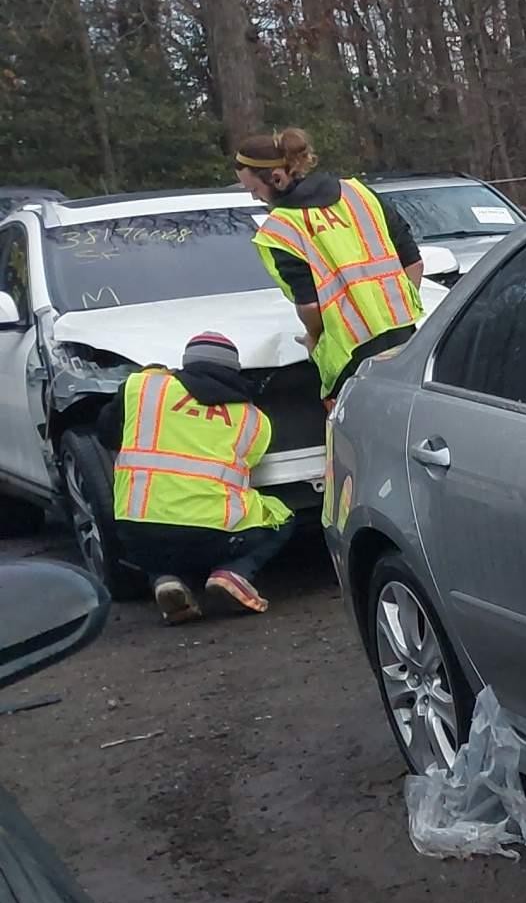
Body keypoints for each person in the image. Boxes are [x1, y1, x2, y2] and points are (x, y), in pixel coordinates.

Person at [108, 332, 296, 623]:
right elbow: (251, 464)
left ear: (185, 363)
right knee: (281, 517)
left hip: (136, 535)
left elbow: (106, 431)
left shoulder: (144, 387)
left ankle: (165, 580)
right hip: (212, 537)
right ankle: (232, 574)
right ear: (234, 369)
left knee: (155, 530)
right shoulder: (253, 419)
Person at [233, 126, 424, 399]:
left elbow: (310, 304)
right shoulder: (358, 194)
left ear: (276, 178)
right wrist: (398, 306)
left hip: (348, 358)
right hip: (406, 342)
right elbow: (413, 262)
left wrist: (313, 338)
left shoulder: (281, 228)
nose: (254, 196)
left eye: (253, 188)